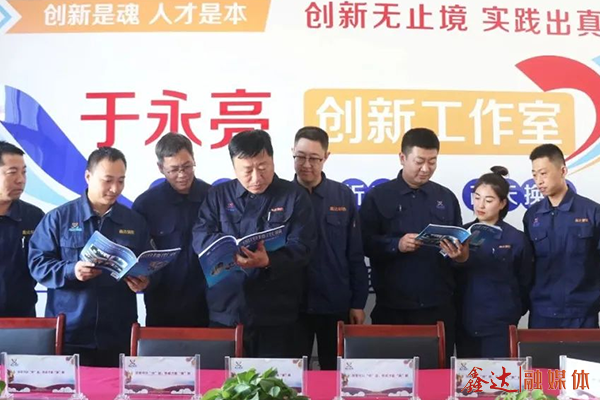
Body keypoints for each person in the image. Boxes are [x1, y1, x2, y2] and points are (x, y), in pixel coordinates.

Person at [192, 129, 316, 357]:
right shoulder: (218, 195)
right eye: (247, 170)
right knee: (224, 377)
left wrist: (269, 260)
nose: (256, 178)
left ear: (273, 160)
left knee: (274, 378)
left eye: (263, 167)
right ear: (234, 167)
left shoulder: (294, 196)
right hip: (227, 309)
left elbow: (303, 246)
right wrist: (224, 249)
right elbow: (200, 236)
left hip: (277, 312)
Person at [29, 147, 151, 367]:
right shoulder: (59, 218)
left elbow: (147, 263)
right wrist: (71, 270)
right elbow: (38, 264)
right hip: (70, 333)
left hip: (119, 333)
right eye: (107, 180)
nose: (115, 188)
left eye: (121, 181)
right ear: (88, 176)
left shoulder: (134, 221)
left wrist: (144, 280)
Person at [359, 127, 469, 364]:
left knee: (437, 375)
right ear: (402, 158)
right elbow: (364, 244)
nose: (426, 168)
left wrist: (459, 254)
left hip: (438, 306)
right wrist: (396, 244)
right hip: (393, 307)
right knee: (392, 376)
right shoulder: (379, 196)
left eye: (432, 161)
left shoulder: (445, 197)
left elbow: (458, 242)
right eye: (419, 162)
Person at [291, 126, 368, 370]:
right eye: (300, 157)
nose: (306, 164)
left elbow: (355, 253)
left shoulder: (342, 195)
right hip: (292, 306)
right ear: (292, 152)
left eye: (314, 158)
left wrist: (358, 303)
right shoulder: (281, 195)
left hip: (334, 302)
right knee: (294, 376)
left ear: (326, 157)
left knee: (335, 373)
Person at [133, 133, 211, 327]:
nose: (182, 175)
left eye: (187, 166)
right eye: (174, 169)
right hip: (163, 305)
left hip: (208, 303)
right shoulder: (146, 205)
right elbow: (140, 254)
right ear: (161, 168)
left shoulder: (212, 197)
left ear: (194, 160)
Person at [455, 166, 533, 358]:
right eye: (477, 197)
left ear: (502, 203)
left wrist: (512, 311)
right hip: (464, 323)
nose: (480, 205)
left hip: (500, 325)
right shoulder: (460, 234)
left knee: (499, 375)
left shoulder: (516, 239)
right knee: (467, 376)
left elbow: (526, 282)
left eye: (488, 200)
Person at [523, 144, 600, 329]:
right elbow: (526, 266)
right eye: (534, 175)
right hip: (542, 312)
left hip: (583, 312)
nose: (539, 181)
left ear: (563, 171)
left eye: (543, 173)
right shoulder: (533, 216)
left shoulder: (592, 212)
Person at [0, 141, 44, 317]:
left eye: (23, 172)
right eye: (12, 172)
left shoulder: (34, 217)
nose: (21, 180)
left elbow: (48, 263)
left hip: (22, 319)